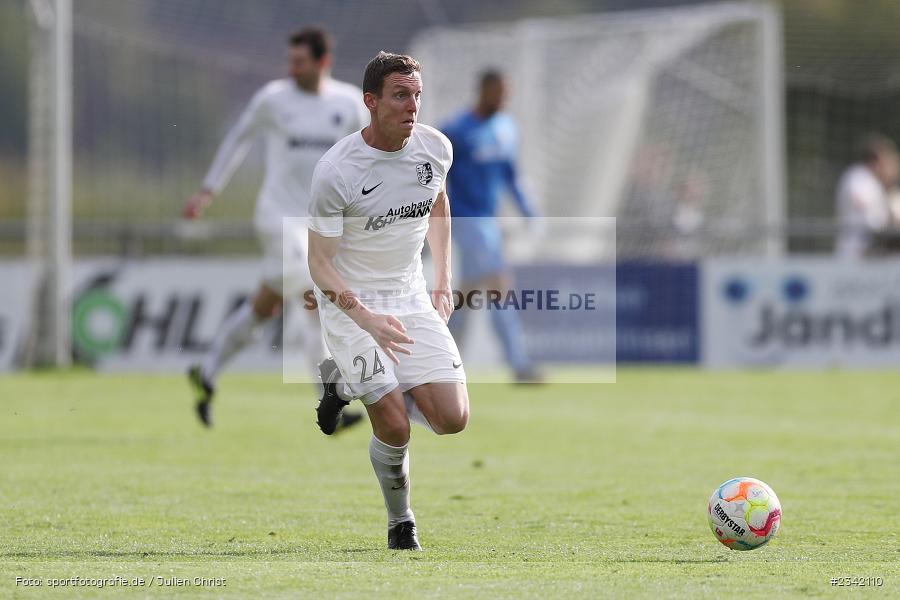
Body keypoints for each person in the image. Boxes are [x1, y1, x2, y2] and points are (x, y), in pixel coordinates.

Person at [307, 52, 469, 550]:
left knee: (452, 419)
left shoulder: (435, 148)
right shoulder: (337, 170)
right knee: (395, 424)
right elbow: (319, 264)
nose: (412, 105)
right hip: (351, 305)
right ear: (371, 102)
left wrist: (444, 278)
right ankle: (402, 523)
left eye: (417, 95)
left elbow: (439, 203)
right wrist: (367, 320)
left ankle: (344, 383)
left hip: (410, 294)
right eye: (401, 95)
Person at [182, 27, 367, 429]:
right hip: (277, 217)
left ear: (323, 62)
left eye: (300, 62)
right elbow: (238, 139)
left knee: (265, 305)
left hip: (321, 223)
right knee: (314, 296)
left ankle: (206, 370)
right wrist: (208, 191)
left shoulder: (349, 103)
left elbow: (367, 156)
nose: (292, 68)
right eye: (290, 60)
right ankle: (328, 398)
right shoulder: (273, 99)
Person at [441, 70, 542, 382]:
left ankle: (440, 359)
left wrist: (529, 210)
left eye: (506, 93)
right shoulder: (456, 130)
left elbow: (512, 174)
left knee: (469, 295)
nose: (503, 99)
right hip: (466, 219)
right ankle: (519, 364)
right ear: (483, 91)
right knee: (499, 285)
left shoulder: (507, 128)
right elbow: (436, 175)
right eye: (498, 92)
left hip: (490, 221)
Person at [835, 134, 900, 259]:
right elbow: (869, 215)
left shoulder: (881, 186)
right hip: (856, 255)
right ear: (877, 161)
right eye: (889, 161)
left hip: (874, 257)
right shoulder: (859, 177)